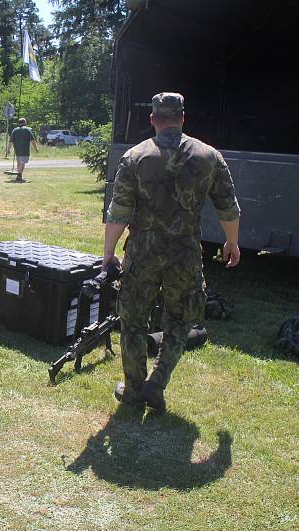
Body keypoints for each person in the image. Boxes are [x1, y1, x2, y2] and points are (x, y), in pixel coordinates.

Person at [103, 92, 241, 414]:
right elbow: (228, 207)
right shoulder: (209, 157)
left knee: (133, 320)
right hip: (185, 253)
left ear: (152, 119)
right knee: (179, 320)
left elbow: (119, 212)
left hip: (142, 254)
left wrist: (109, 252)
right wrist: (231, 242)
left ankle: (134, 389)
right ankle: (157, 383)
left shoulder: (135, 157)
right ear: (182, 118)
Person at [6, 117, 39, 182]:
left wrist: (8, 149)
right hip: (24, 150)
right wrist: (36, 148)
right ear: (25, 122)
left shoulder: (15, 130)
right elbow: (32, 140)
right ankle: (19, 176)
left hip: (17, 150)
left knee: (19, 163)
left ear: (19, 123)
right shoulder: (27, 130)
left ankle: (19, 176)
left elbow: (11, 141)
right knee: (22, 163)